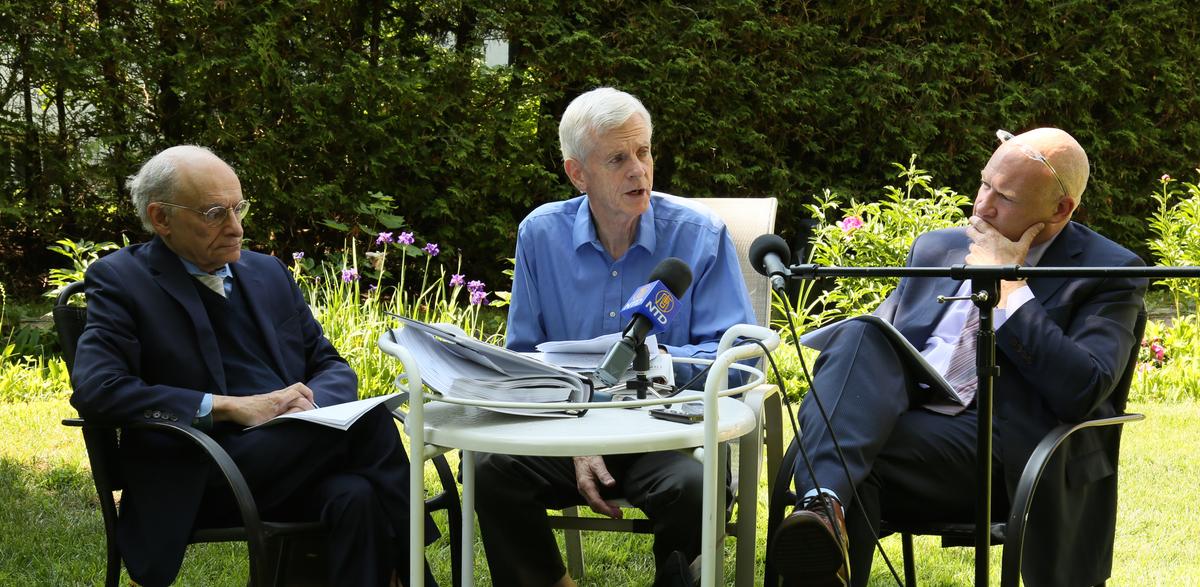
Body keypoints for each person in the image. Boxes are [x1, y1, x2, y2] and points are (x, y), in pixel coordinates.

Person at [767, 128, 1146, 587]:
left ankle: (821, 502)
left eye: (1003, 197)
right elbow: (886, 350)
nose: (982, 206)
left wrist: (1008, 288)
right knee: (862, 335)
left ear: (1059, 209)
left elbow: (1082, 388)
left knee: (848, 457)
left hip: (1008, 445)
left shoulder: (1107, 271)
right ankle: (824, 506)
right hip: (911, 416)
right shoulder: (938, 246)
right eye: (984, 183)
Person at [69, 145, 435, 587]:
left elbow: (330, 363)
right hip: (202, 470)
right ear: (161, 218)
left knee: (354, 496)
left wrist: (311, 408)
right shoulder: (122, 281)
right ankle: (418, 576)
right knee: (371, 423)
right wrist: (230, 406)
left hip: (296, 455)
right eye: (213, 213)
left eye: (238, 208)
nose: (236, 227)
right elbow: (98, 389)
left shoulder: (267, 273)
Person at [473, 87, 757, 587]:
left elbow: (734, 359)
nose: (638, 170)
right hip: (566, 435)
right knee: (494, 471)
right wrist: (577, 438)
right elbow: (523, 359)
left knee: (693, 486)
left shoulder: (699, 235)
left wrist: (654, 363)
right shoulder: (540, 234)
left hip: (667, 435)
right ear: (577, 173)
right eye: (618, 158)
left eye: (644, 151)